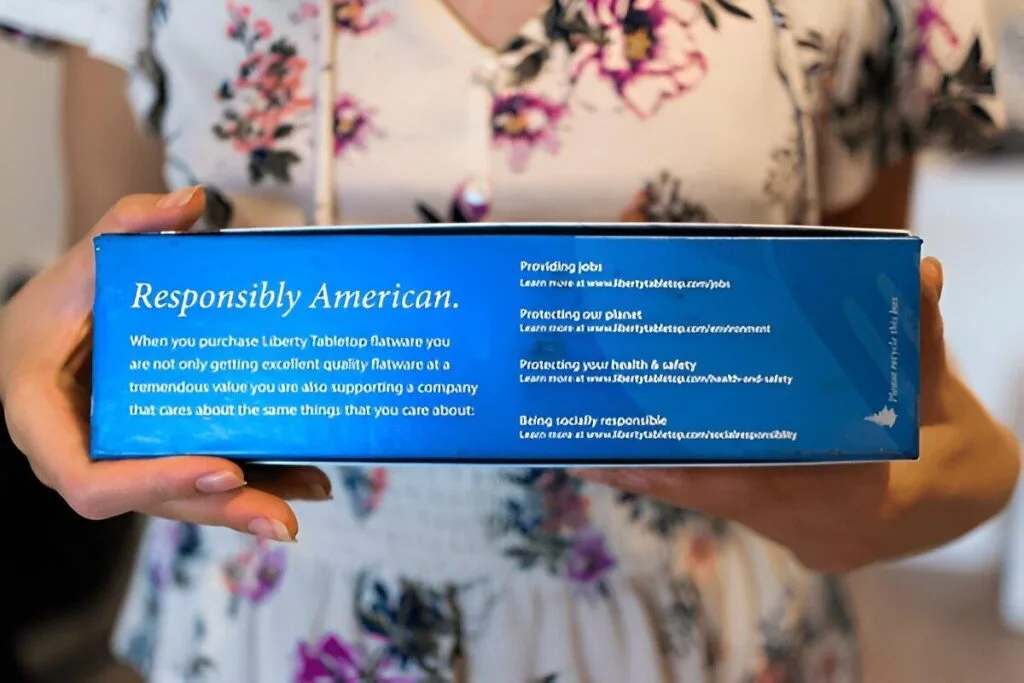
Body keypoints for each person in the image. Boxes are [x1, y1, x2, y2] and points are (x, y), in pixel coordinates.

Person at [0, 1, 1019, 681]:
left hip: (694, 622)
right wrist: (30, 358)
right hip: (272, 609)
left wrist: (882, 499)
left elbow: (877, 371)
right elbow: (104, 307)